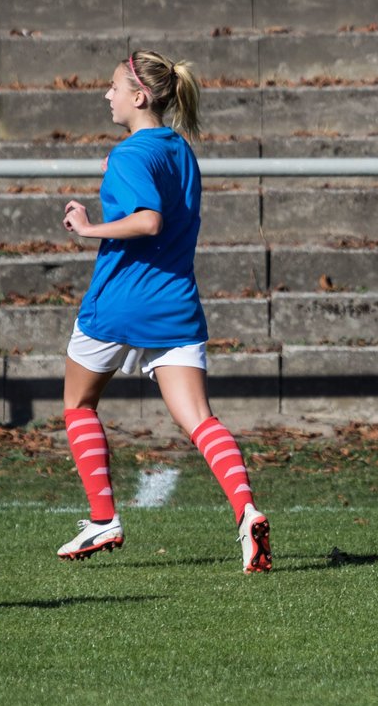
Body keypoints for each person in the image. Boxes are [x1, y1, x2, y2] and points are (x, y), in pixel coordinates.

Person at [55, 49, 272, 574]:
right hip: (175, 305)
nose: (106, 96)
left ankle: (103, 516)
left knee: (78, 405)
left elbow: (148, 220)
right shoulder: (178, 149)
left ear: (139, 96)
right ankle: (247, 512)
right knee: (200, 420)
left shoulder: (132, 154)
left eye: (112, 88)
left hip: (120, 301)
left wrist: (88, 228)